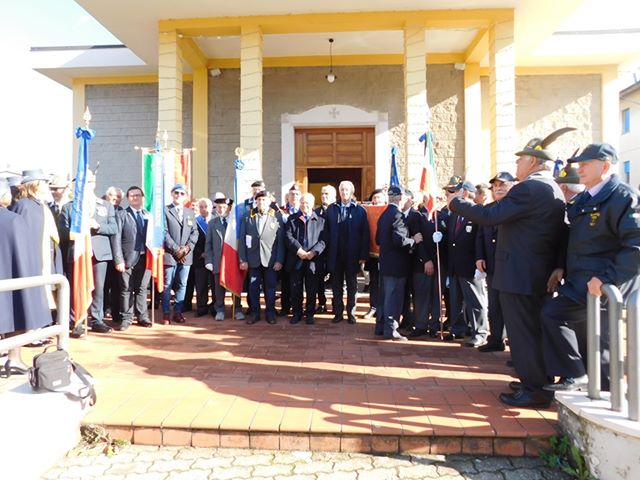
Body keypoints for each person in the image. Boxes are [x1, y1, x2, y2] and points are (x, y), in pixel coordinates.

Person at [448, 129, 571, 408]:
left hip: (520, 274)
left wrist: (458, 203)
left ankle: (535, 390)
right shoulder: (550, 188)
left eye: (520, 160)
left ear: (533, 161)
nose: (516, 165)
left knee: (523, 334)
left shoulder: (530, 188)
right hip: (531, 273)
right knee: (531, 332)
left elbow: (491, 215)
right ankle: (535, 380)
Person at [541, 143, 640, 392]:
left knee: (592, 336)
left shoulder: (623, 197)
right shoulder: (586, 198)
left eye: (586, 164)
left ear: (605, 166)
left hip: (604, 286)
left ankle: (590, 386)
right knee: (592, 339)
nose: (580, 169)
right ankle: (590, 384)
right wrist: (560, 267)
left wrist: (607, 280)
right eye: (579, 164)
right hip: (580, 281)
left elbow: (635, 246)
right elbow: (573, 238)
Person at [0, 178, 53, 377]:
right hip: (12, 278)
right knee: (16, 313)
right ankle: (13, 358)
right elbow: (24, 253)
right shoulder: (14, 219)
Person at [59, 170, 118, 337]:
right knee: (77, 287)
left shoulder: (105, 205)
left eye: (90, 182)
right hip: (78, 252)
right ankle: (76, 320)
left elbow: (113, 228)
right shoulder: (69, 207)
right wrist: (78, 229)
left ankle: (96, 319)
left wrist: (97, 226)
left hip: (99, 253)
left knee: (98, 288)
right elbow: (62, 232)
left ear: (94, 184)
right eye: (83, 182)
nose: (87, 185)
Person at [375, 185, 423, 340]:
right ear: (401, 198)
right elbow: (400, 240)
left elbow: (377, 239)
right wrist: (413, 240)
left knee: (385, 297)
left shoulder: (383, 215)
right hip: (396, 265)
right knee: (394, 297)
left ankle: (381, 327)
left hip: (386, 263)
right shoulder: (397, 215)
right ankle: (391, 330)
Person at [476, 172, 516, 353]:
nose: (498, 188)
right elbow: (480, 236)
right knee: (494, 304)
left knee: (510, 307)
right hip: (491, 265)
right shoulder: (489, 208)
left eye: (503, 185)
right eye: (495, 185)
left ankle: (514, 344)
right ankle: (495, 339)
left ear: (512, 187)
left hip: (510, 267)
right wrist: (479, 256)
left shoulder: (516, 208)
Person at [445, 181, 488, 346]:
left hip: (471, 266)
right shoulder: (455, 215)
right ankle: (458, 328)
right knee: (456, 301)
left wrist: (480, 260)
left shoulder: (476, 213)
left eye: (456, 192)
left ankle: (480, 332)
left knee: (475, 301)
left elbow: (480, 239)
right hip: (456, 266)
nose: (452, 195)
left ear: (465, 194)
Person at [325, 180, 370, 324]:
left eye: (346, 190)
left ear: (352, 192)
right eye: (342, 190)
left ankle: (351, 312)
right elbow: (326, 232)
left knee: (352, 285)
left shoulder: (360, 210)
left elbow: (365, 234)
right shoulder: (332, 209)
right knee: (336, 285)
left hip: (353, 254)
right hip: (335, 254)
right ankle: (338, 313)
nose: (344, 193)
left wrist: (363, 255)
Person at [239, 190, 285, 325]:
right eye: (259, 200)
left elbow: (280, 241)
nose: (261, 202)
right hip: (253, 259)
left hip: (270, 260)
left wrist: (279, 260)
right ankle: (254, 313)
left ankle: (270, 313)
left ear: (269, 201)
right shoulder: (248, 216)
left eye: (264, 200)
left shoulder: (277, 216)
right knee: (253, 288)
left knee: (270, 288)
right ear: (256, 202)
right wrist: (243, 259)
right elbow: (242, 239)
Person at [111, 186, 152, 331]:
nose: (135, 197)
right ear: (128, 198)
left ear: (143, 197)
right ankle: (126, 318)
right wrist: (118, 260)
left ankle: (143, 316)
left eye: (138, 195)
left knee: (141, 288)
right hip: (127, 258)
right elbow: (116, 239)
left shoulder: (148, 215)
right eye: (132, 195)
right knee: (126, 289)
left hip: (145, 258)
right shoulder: (122, 215)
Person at [285, 192, 326, 325]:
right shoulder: (292, 219)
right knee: (296, 288)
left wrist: (313, 252)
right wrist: (299, 250)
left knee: (311, 288)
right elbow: (288, 237)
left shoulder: (320, 220)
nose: (305, 205)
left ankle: (310, 314)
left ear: (313, 204)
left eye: (307, 202)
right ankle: (297, 313)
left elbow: (324, 240)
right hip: (296, 259)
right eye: (302, 202)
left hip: (313, 260)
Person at [162, 183, 199, 324]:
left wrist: (186, 249)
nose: (179, 195)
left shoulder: (189, 212)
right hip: (170, 254)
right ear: (172, 194)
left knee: (182, 284)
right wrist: (176, 249)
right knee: (168, 284)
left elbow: (194, 232)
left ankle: (178, 312)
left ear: (186, 196)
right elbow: (163, 232)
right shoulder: (165, 210)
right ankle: (166, 313)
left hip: (186, 255)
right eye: (176, 193)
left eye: (182, 193)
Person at [204, 195, 244, 321]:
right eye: (218, 207)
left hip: (233, 260)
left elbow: (241, 242)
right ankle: (220, 309)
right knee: (218, 288)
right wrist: (209, 260)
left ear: (229, 208)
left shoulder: (236, 224)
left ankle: (237, 309)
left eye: (224, 207)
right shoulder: (212, 223)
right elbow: (208, 244)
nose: (221, 210)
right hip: (218, 260)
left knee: (235, 284)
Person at [188, 197, 215, 317]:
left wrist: (211, 253)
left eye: (206, 207)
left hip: (215, 258)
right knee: (201, 284)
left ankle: (215, 306)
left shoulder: (216, 220)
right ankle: (202, 307)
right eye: (201, 207)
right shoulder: (194, 221)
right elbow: (191, 239)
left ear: (211, 207)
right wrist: (201, 253)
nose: (204, 209)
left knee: (215, 285)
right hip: (200, 258)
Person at [278, 184, 302, 316]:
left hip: (300, 251)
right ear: (288, 196)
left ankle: (298, 307)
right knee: (286, 282)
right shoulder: (281, 211)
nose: (294, 196)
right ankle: (285, 307)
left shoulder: (305, 209)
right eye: (292, 194)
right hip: (286, 252)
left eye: (297, 194)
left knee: (299, 283)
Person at [363, 188, 387, 319]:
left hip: (387, 254)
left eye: (379, 197)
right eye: (374, 198)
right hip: (372, 253)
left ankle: (384, 307)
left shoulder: (388, 211)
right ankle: (373, 306)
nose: (376, 200)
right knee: (373, 281)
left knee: (385, 282)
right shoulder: (367, 212)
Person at [314, 184, 336, 314]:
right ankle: (321, 303)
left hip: (334, 251)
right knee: (319, 280)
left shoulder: (338, 210)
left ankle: (336, 303)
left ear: (334, 196)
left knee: (336, 280)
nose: (324, 196)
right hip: (320, 252)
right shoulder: (316, 212)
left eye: (327, 194)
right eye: (322, 193)